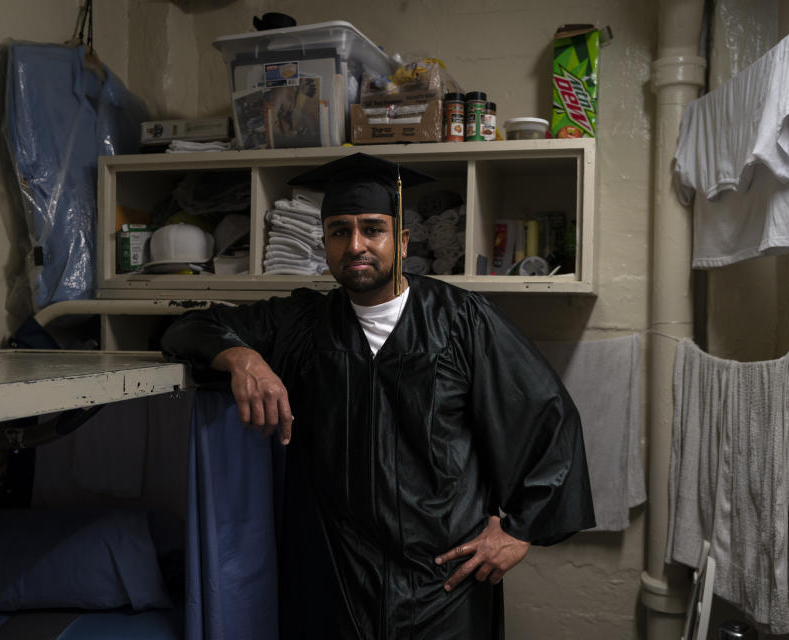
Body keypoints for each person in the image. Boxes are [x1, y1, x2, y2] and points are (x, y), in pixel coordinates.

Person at [162, 153, 595, 639]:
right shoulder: (301, 324)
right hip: (334, 589)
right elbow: (187, 325)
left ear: (402, 241)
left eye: (373, 229)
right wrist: (242, 358)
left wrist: (518, 531)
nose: (357, 245)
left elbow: (550, 419)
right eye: (340, 231)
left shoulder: (462, 321)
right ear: (324, 243)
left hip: (442, 591)